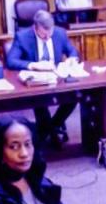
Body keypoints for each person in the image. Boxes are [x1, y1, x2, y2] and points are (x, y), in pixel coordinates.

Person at [6, 10, 80, 148]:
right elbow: (11, 61)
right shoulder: (22, 37)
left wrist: (72, 59)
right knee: (39, 100)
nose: (47, 37)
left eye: (49, 33)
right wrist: (33, 65)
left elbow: (72, 51)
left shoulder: (59, 33)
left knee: (76, 95)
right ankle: (51, 132)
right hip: (36, 81)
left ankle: (49, 128)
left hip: (57, 78)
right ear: (35, 27)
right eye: (43, 34)